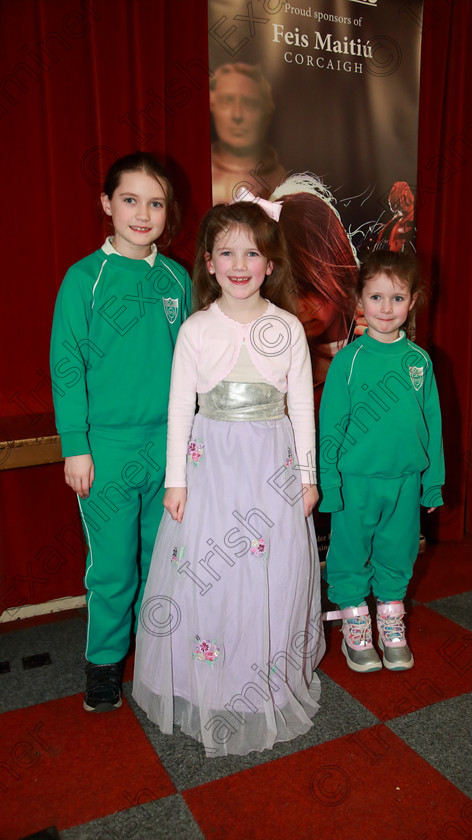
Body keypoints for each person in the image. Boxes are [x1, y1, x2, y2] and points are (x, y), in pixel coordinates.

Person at [132, 200, 325, 757]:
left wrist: (307, 477)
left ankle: (262, 677)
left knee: (270, 573)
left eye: (253, 252)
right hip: (210, 465)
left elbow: (301, 409)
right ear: (209, 264)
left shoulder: (287, 327)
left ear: (270, 264)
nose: (240, 264)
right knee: (212, 571)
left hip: (273, 465)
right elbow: (179, 410)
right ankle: (203, 682)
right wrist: (176, 481)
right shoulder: (196, 329)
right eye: (227, 252)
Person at [50, 152, 191, 712]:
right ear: (107, 204)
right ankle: (105, 663)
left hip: (169, 447)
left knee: (166, 563)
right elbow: (67, 367)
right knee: (113, 568)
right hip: (106, 450)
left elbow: (196, 362)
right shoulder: (84, 279)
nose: (142, 213)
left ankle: (158, 662)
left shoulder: (178, 278)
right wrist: (76, 446)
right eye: (130, 200)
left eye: (155, 203)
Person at [318, 250, 444, 673]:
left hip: (406, 480)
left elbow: (432, 424)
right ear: (359, 301)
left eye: (397, 298)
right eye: (376, 298)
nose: (386, 308)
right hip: (355, 482)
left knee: (399, 550)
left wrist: (432, 482)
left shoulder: (419, 361)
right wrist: (330, 486)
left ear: (413, 302)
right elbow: (331, 427)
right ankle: (356, 623)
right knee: (350, 553)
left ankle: (391, 618)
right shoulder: (348, 362)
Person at [270, 175, 359, 413]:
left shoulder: (374, 338)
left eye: (306, 288)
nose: (297, 306)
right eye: (282, 291)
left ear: (335, 270)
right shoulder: (272, 348)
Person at [210, 63, 286, 205]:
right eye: (227, 101)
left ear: (266, 111)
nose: (237, 115)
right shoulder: (199, 173)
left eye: (250, 103)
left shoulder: (283, 180)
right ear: (212, 105)